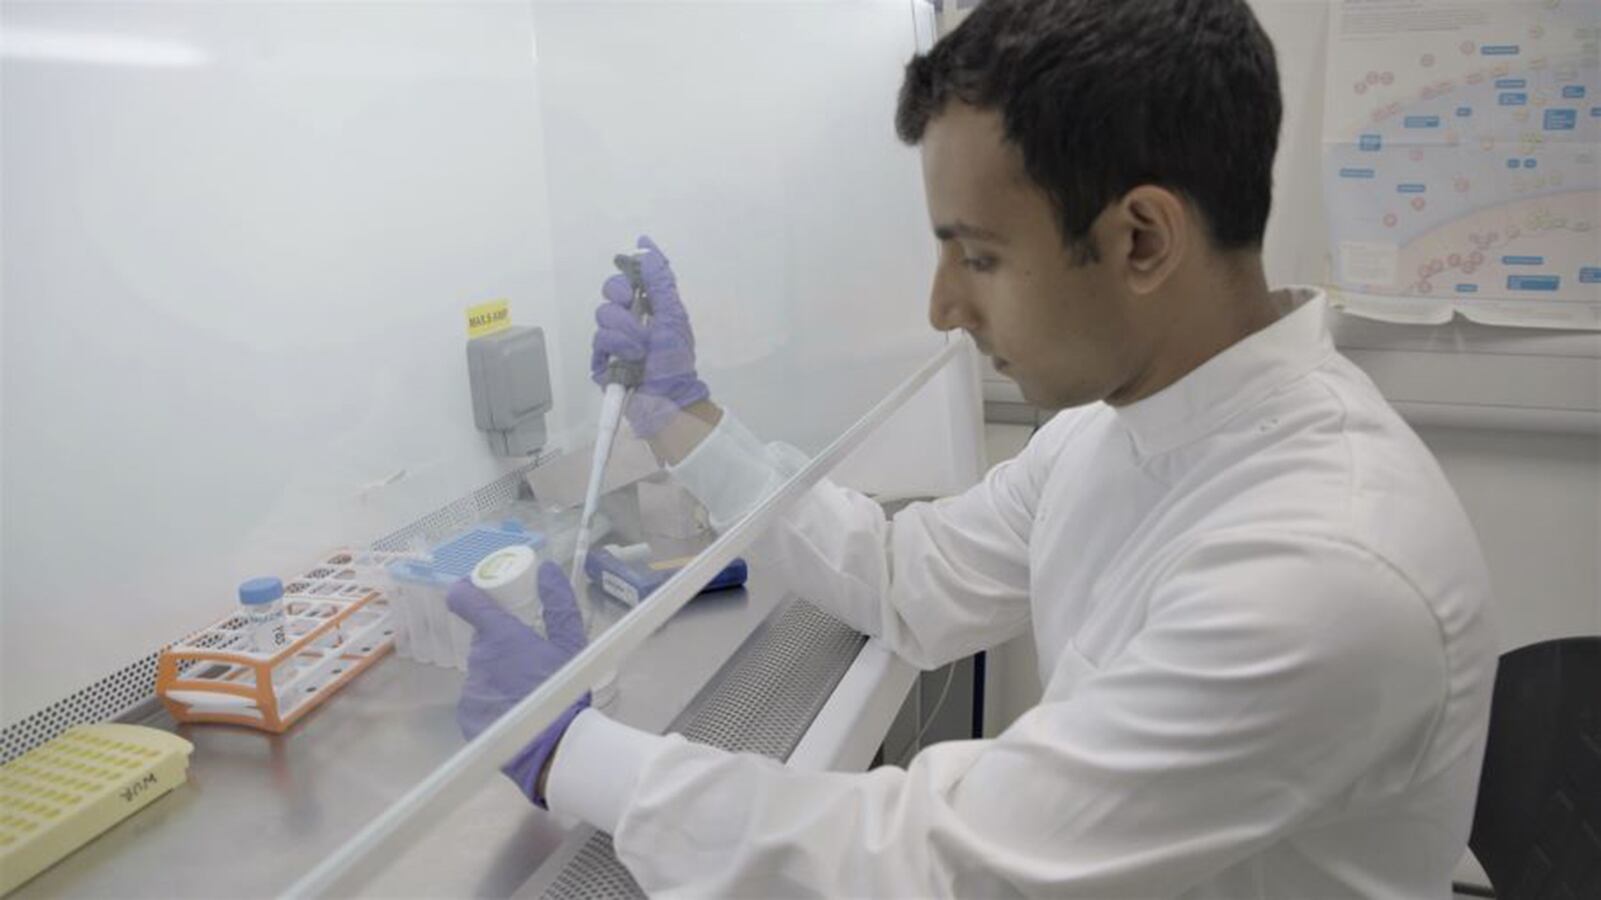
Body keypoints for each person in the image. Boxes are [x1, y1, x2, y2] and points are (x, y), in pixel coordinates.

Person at [447, 0, 1498, 895]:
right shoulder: (1113, 429)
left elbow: (937, 865)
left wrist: (569, 753)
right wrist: (681, 420)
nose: (942, 308)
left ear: (1141, 239)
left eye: (979, 257)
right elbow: (904, 576)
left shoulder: (1324, 566)